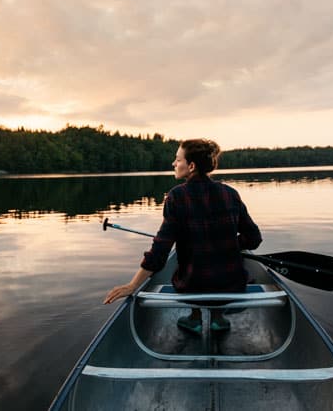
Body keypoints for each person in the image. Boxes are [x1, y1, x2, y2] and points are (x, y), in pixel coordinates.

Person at [103, 138, 262, 334]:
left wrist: (133, 285)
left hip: (191, 287)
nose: (173, 164)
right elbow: (254, 239)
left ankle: (195, 318)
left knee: (190, 267)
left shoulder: (176, 196)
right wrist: (228, 244)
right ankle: (218, 318)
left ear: (191, 166)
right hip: (231, 286)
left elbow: (160, 251)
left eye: (177, 160)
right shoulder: (230, 193)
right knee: (219, 268)